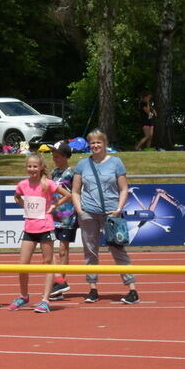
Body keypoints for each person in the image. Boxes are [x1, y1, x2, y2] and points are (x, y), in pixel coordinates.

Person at [72, 129, 139, 304]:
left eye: (98, 142)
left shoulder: (116, 163)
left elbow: (124, 188)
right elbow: (75, 190)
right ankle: (92, 288)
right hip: (88, 213)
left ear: (105, 144)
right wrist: (80, 210)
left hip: (112, 213)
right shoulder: (83, 165)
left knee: (118, 249)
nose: (95, 145)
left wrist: (118, 208)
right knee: (90, 251)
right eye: (92, 142)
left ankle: (132, 289)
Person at [9, 153, 72, 314]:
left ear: (41, 167)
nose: (32, 169)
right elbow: (16, 196)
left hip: (45, 227)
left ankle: (45, 300)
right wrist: (23, 204)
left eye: (35, 166)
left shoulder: (48, 183)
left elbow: (67, 195)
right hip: (29, 228)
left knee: (47, 263)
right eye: (29, 166)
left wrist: (54, 206)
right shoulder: (23, 184)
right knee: (22, 265)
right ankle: (23, 296)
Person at [49, 141, 78, 300]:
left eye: (58, 156)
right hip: (52, 216)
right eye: (54, 156)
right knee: (49, 250)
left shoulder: (72, 173)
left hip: (67, 216)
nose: (55, 159)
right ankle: (58, 280)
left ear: (66, 156)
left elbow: (75, 193)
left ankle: (61, 282)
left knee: (62, 250)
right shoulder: (53, 173)